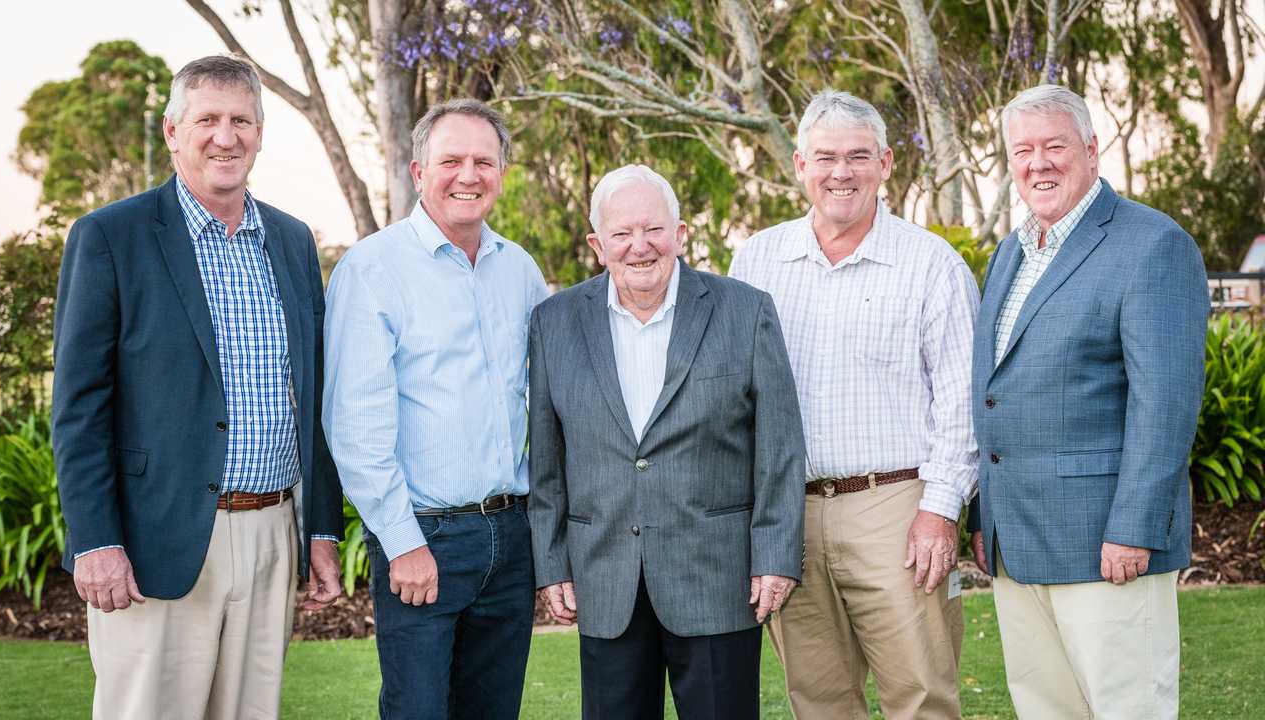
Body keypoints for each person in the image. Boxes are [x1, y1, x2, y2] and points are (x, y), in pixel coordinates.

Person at [51, 54, 343, 720]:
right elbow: (78, 408)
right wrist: (96, 540)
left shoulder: (292, 241)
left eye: (241, 120)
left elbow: (315, 395)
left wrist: (321, 527)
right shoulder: (111, 237)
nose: (225, 136)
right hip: (158, 538)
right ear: (172, 130)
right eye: (207, 118)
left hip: (272, 532)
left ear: (260, 133)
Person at [729, 90, 979, 720]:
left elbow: (961, 403)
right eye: (826, 158)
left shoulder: (931, 264)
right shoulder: (757, 259)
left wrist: (940, 511)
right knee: (818, 702)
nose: (842, 173)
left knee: (921, 697)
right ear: (799, 166)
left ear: (887, 163)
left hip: (896, 509)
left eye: (858, 156)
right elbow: (733, 394)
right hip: (789, 514)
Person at [527, 164, 806, 720]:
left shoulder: (744, 311)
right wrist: (552, 563)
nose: (639, 246)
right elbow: (546, 459)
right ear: (597, 245)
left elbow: (780, 446)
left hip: (718, 577)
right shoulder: (553, 322)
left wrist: (776, 555)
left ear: (680, 234)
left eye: (653, 229)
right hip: (604, 578)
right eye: (621, 234)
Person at [967, 84, 1208, 720]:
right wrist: (983, 520)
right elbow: (996, 393)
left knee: (1130, 708)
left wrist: (1133, 527)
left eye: (1054, 145)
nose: (1038, 163)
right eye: (1023, 149)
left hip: (1107, 544)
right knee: (1046, 709)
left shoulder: (1152, 244)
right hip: (1018, 542)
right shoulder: (1011, 252)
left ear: (1092, 150)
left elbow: (1165, 405)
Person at [322, 98, 549, 720]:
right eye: (451, 161)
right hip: (426, 538)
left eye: (485, 161)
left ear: (502, 171)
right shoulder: (372, 270)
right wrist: (403, 543)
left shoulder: (520, 271)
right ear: (420, 172)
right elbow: (354, 427)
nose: (468, 175)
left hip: (510, 535)